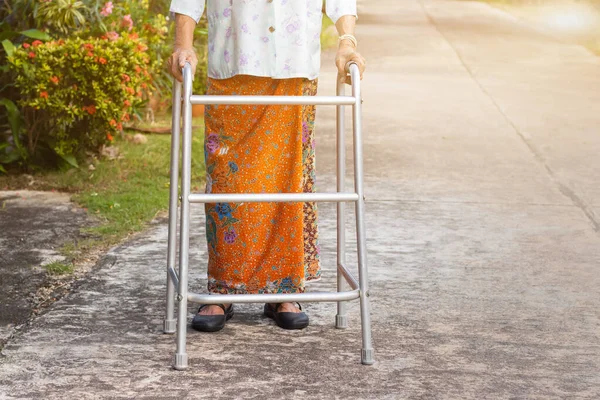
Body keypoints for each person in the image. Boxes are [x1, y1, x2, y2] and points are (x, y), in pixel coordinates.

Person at [167, 0, 366, 332]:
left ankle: (284, 289)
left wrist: (347, 41)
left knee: (287, 180)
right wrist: (182, 46)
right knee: (229, 182)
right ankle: (224, 288)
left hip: (295, 61)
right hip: (233, 58)